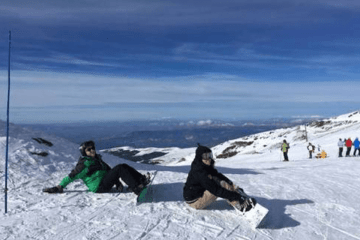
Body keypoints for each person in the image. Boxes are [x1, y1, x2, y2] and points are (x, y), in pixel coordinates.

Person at [43, 140, 150, 195]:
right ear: (84, 152)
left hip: (104, 181)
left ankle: (141, 180)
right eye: (89, 149)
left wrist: (117, 182)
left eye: (93, 148)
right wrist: (59, 187)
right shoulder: (83, 164)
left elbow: (109, 170)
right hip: (99, 187)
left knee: (123, 166)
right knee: (120, 167)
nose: (92, 150)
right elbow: (72, 176)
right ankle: (136, 188)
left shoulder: (96, 159)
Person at [183, 144, 256, 212]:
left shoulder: (204, 165)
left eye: (210, 155)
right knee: (221, 185)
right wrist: (236, 196)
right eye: (206, 156)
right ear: (200, 157)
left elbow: (217, 175)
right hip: (195, 201)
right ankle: (239, 205)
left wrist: (231, 184)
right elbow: (216, 191)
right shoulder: (200, 172)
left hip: (199, 192)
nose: (209, 158)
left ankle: (235, 196)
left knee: (221, 181)